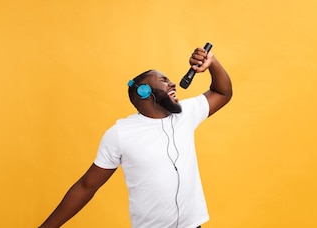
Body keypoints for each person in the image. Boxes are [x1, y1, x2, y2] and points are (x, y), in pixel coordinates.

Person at [39, 45, 232, 228]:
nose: (173, 83)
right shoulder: (120, 133)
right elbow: (86, 186)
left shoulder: (185, 113)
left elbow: (222, 92)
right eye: (164, 80)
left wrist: (211, 63)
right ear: (144, 92)